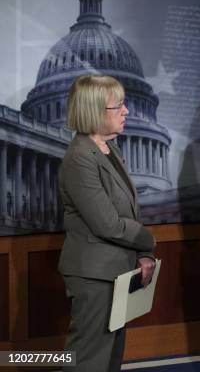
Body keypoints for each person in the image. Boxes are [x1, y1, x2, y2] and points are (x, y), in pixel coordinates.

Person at [58, 75, 156, 372]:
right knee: (88, 363)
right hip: (94, 277)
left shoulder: (109, 149)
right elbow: (107, 224)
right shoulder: (79, 158)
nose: (126, 111)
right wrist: (148, 240)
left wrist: (142, 254)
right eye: (119, 106)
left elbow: (128, 211)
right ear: (94, 112)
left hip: (117, 272)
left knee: (109, 361)